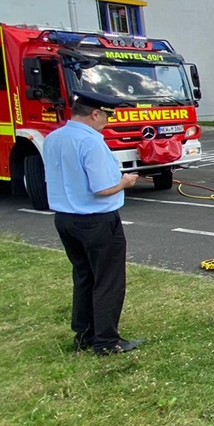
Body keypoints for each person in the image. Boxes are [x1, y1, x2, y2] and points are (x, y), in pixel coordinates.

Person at [43, 90, 142, 356]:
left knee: (84, 276)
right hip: (96, 220)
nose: (107, 121)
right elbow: (103, 188)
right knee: (108, 280)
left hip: (65, 218)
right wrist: (125, 182)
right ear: (95, 113)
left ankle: (84, 335)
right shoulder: (92, 142)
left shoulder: (53, 138)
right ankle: (107, 341)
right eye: (107, 115)